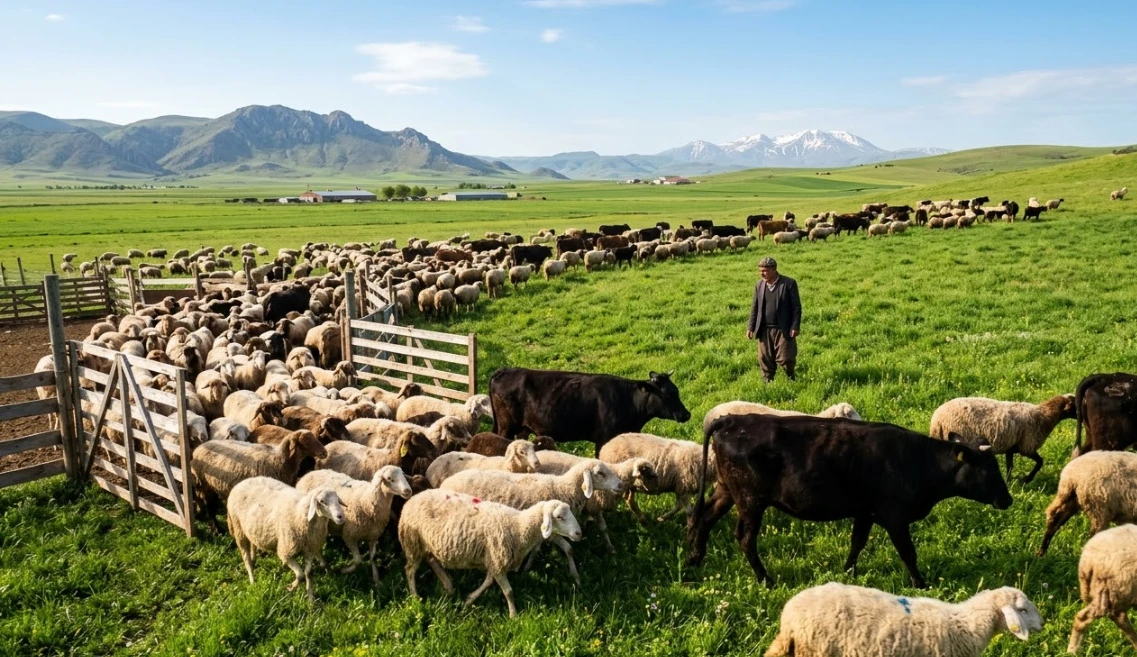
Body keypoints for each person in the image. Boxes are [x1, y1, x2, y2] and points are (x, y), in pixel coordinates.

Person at [746, 256, 801, 382]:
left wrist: (795, 326)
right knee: (765, 357)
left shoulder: (788, 283)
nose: (762, 274)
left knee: (786, 358)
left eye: (765, 271)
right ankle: (767, 381)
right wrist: (751, 327)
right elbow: (755, 307)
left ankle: (790, 377)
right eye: (760, 271)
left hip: (783, 328)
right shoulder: (759, 285)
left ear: (774, 269)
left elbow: (796, 307)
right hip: (764, 329)